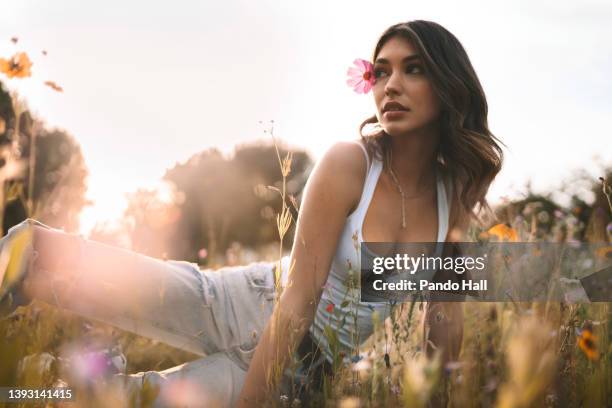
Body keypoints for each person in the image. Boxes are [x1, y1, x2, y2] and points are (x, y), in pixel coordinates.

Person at [0, 20, 503, 407]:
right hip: (244, 302)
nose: (390, 84)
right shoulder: (350, 163)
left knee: (120, 399)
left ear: (447, 83)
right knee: (42, 254)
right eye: (382, 70)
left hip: (303, 370)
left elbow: (446, 322)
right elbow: (299, 297)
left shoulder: (453, 195)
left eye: (412, 68)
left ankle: (44, 380)